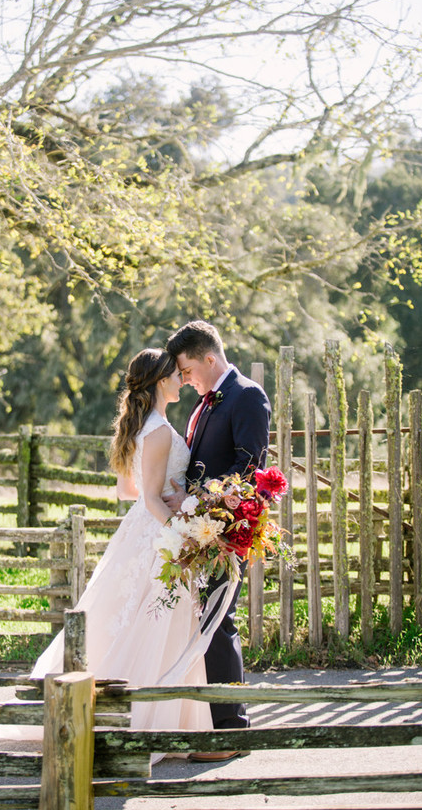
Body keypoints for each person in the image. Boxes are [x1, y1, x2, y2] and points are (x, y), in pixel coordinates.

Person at [30, 347, 213, 747]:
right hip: (160, 535)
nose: (182, 379)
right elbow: (147, 497)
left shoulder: (143, 425)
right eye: (175, 374)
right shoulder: (161, 429)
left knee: (135, 621)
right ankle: (151, 724)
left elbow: (127, 489)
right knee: (154, 623)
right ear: (160, 381)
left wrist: (174, 493)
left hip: (141, 532)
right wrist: (182, 532)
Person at [165, 320, 271, 762]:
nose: (184, 379)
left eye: (187, 370)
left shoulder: (247, 396)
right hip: (200, 532)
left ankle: (231, 732)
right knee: (204, 620)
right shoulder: (206, 404)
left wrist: (198, 501)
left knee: (218, 620)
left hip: (226, 532)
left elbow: (249, 474)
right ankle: (213, 723)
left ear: (210, 359)